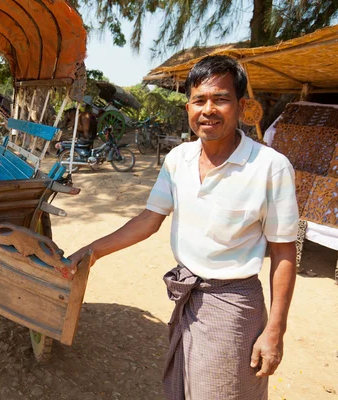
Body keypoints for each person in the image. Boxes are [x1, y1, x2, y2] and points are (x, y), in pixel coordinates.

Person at [69, 55, 298, 399]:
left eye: (220, 99)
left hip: (233, 306)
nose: (208, 109)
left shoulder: (270, 166)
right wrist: (90, 252)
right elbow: (149, 219)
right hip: (188, 296)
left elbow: (283, 250)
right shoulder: (179, 159)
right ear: (188, 106)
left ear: (242, 106)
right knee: (185, 388)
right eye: (199, 100)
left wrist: (275, 330)